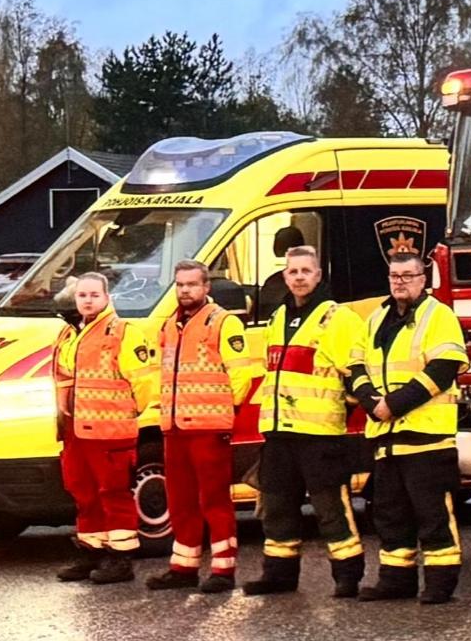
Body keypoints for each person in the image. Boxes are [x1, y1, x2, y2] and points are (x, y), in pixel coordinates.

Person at [244, 233, 369, 597]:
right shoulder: (279, 316)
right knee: (277, 508)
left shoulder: (337, 318)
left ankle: (348, 576)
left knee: (331, 509)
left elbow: (357, 372)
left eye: (306, 271)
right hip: (279, 433)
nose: (299, 277)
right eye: (292, 271)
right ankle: (278, 575)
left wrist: (343, 407)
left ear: (318, 276)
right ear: (284, 277)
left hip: (319, 435)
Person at [352, 241, 467, 601]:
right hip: (386, 434)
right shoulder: (375, 319)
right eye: (394, 275)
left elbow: (444, 369)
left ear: (423, 279)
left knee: (432, 512)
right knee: (389, 512)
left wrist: (394, 405)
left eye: (408, 275)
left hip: (426, 435)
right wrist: (372, 403)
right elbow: (355, 367)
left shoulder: (439, 315)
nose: (400, 282)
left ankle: (441, 582)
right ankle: (395, 579)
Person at [137, 257, 257, 591]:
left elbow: (241, 375)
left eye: (192, 284)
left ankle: (223, 570)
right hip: (174, 428)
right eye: (180, 285)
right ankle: (184, 567)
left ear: (206, 287)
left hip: (208, 427)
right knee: (180, 500)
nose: (185, 290)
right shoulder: (170, 324)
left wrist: (224, 411)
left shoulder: (222, 323)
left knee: (214, 500)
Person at [50, 267, 143, 584]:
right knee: (83, 493)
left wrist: (130, 413)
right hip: (76, 430)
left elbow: (143, 381)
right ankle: (91, 551)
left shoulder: (122, 331)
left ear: (107, 297)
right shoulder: (69, 333)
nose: (87, 300)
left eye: (94, 295)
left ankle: (121, 559)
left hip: (110, 430)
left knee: (114, 493)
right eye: (82, 295)